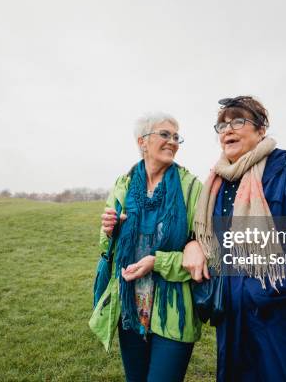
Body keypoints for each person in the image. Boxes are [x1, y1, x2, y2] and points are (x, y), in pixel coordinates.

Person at [183, 96, 286, 382]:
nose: (227, 129)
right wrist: (194, 242)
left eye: (238, 121)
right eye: (221, 125)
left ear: (261, 130)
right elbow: (212, 236)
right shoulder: (218, 182)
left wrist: (256, 292)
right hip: (238, 322)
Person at [90, 113, 204, 382]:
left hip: (173, 310)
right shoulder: (124, 185)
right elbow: (107, 248)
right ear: (142, 142)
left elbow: (207, 255)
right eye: (165, 134)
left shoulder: (192, 189)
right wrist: (110, 231)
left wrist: (158, 262)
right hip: (130, 309)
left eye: (176, 137)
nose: (173, 142)